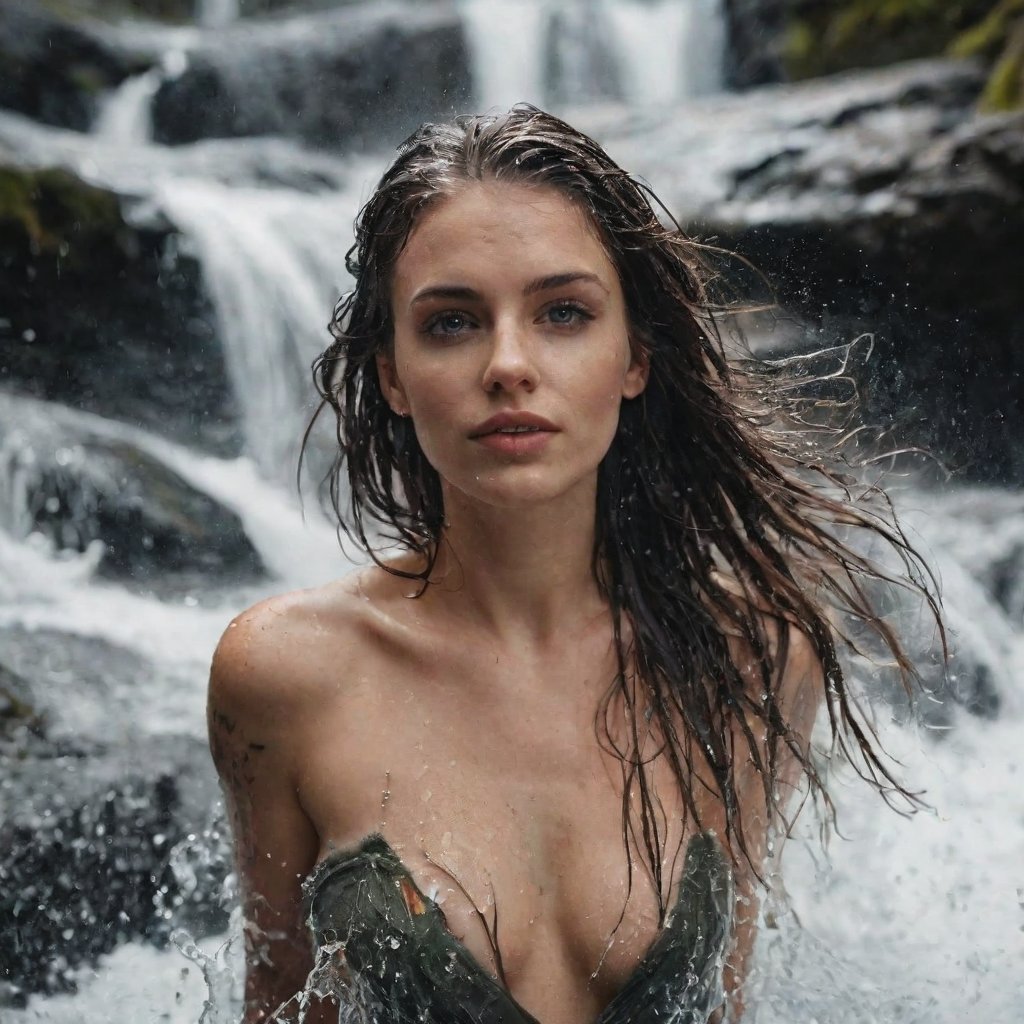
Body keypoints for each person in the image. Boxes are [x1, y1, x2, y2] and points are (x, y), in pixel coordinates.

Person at [207, 106, 939, 1024]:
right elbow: (274, 1005)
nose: (509, 364)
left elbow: (725, 1009)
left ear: (633, 356)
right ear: (391, 372)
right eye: (451, 323)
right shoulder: (284, 674)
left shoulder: (750, 658)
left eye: (563, 313)